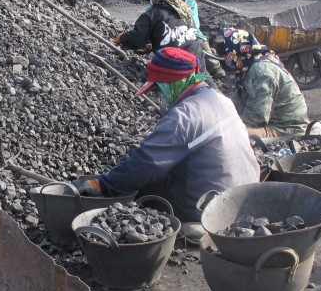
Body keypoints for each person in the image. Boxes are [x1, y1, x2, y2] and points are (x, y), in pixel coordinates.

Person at [73, 47, 259, 223]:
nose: (159, 95)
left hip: (209, 206)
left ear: (172, 83)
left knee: (144, 191)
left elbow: (147, 162)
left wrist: (104, 185)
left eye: (158, 88)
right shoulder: (221, 99)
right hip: (245, 195)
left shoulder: (184, 115)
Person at [115, 0, 225, 80]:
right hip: (197, 67)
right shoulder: (184, 10)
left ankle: (215, 69)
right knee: (207, 85)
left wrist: (122, 38)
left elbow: (137, 39)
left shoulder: (153, 14)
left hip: (176, 70)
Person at [215, 27, 310, 137]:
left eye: (226, 53)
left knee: (232, 134)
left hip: (285, 129)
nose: (225, 57)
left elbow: (257, 117)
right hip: (276, 122)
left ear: (236, 49)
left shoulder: (261, 71)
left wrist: (230, 124)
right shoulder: (252, 64)